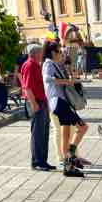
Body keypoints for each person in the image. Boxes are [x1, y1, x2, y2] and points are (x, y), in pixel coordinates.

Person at [42, 41, 88, 177]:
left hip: (61, 102)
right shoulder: (48, 63)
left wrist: (70, 76)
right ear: (53, 53)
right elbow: (47, 79)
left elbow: (67, 68)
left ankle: (68, 162)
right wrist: (66, 81)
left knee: (67, 133)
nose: (61, 54)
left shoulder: (55, 64)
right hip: (58, 102)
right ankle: (70, 158)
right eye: (59, 52)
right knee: (81, 127)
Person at [19, 41, 54, 171]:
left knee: (44, 132)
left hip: (41, 101)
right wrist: (33, 104)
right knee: (37, 133)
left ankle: (43, 161)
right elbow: (27, 87)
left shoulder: (36, 65)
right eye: (40, 53)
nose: (42, 55)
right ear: (34, 54)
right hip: (36, 102)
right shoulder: (29, 66)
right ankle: (37, 162)